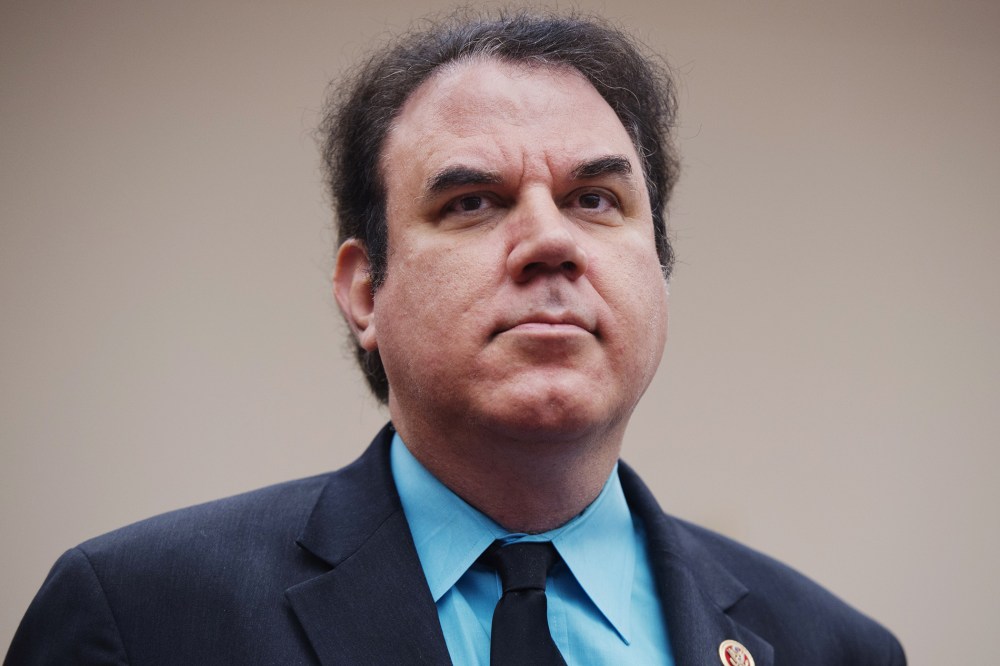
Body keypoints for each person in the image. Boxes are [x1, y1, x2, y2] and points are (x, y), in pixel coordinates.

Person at [5, 10, 905, 666]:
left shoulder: (832, 647)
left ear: (659, 272)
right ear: (365, 291)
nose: (552, 240)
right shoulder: (140, 619)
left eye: (597, 199)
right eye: (471, 202)